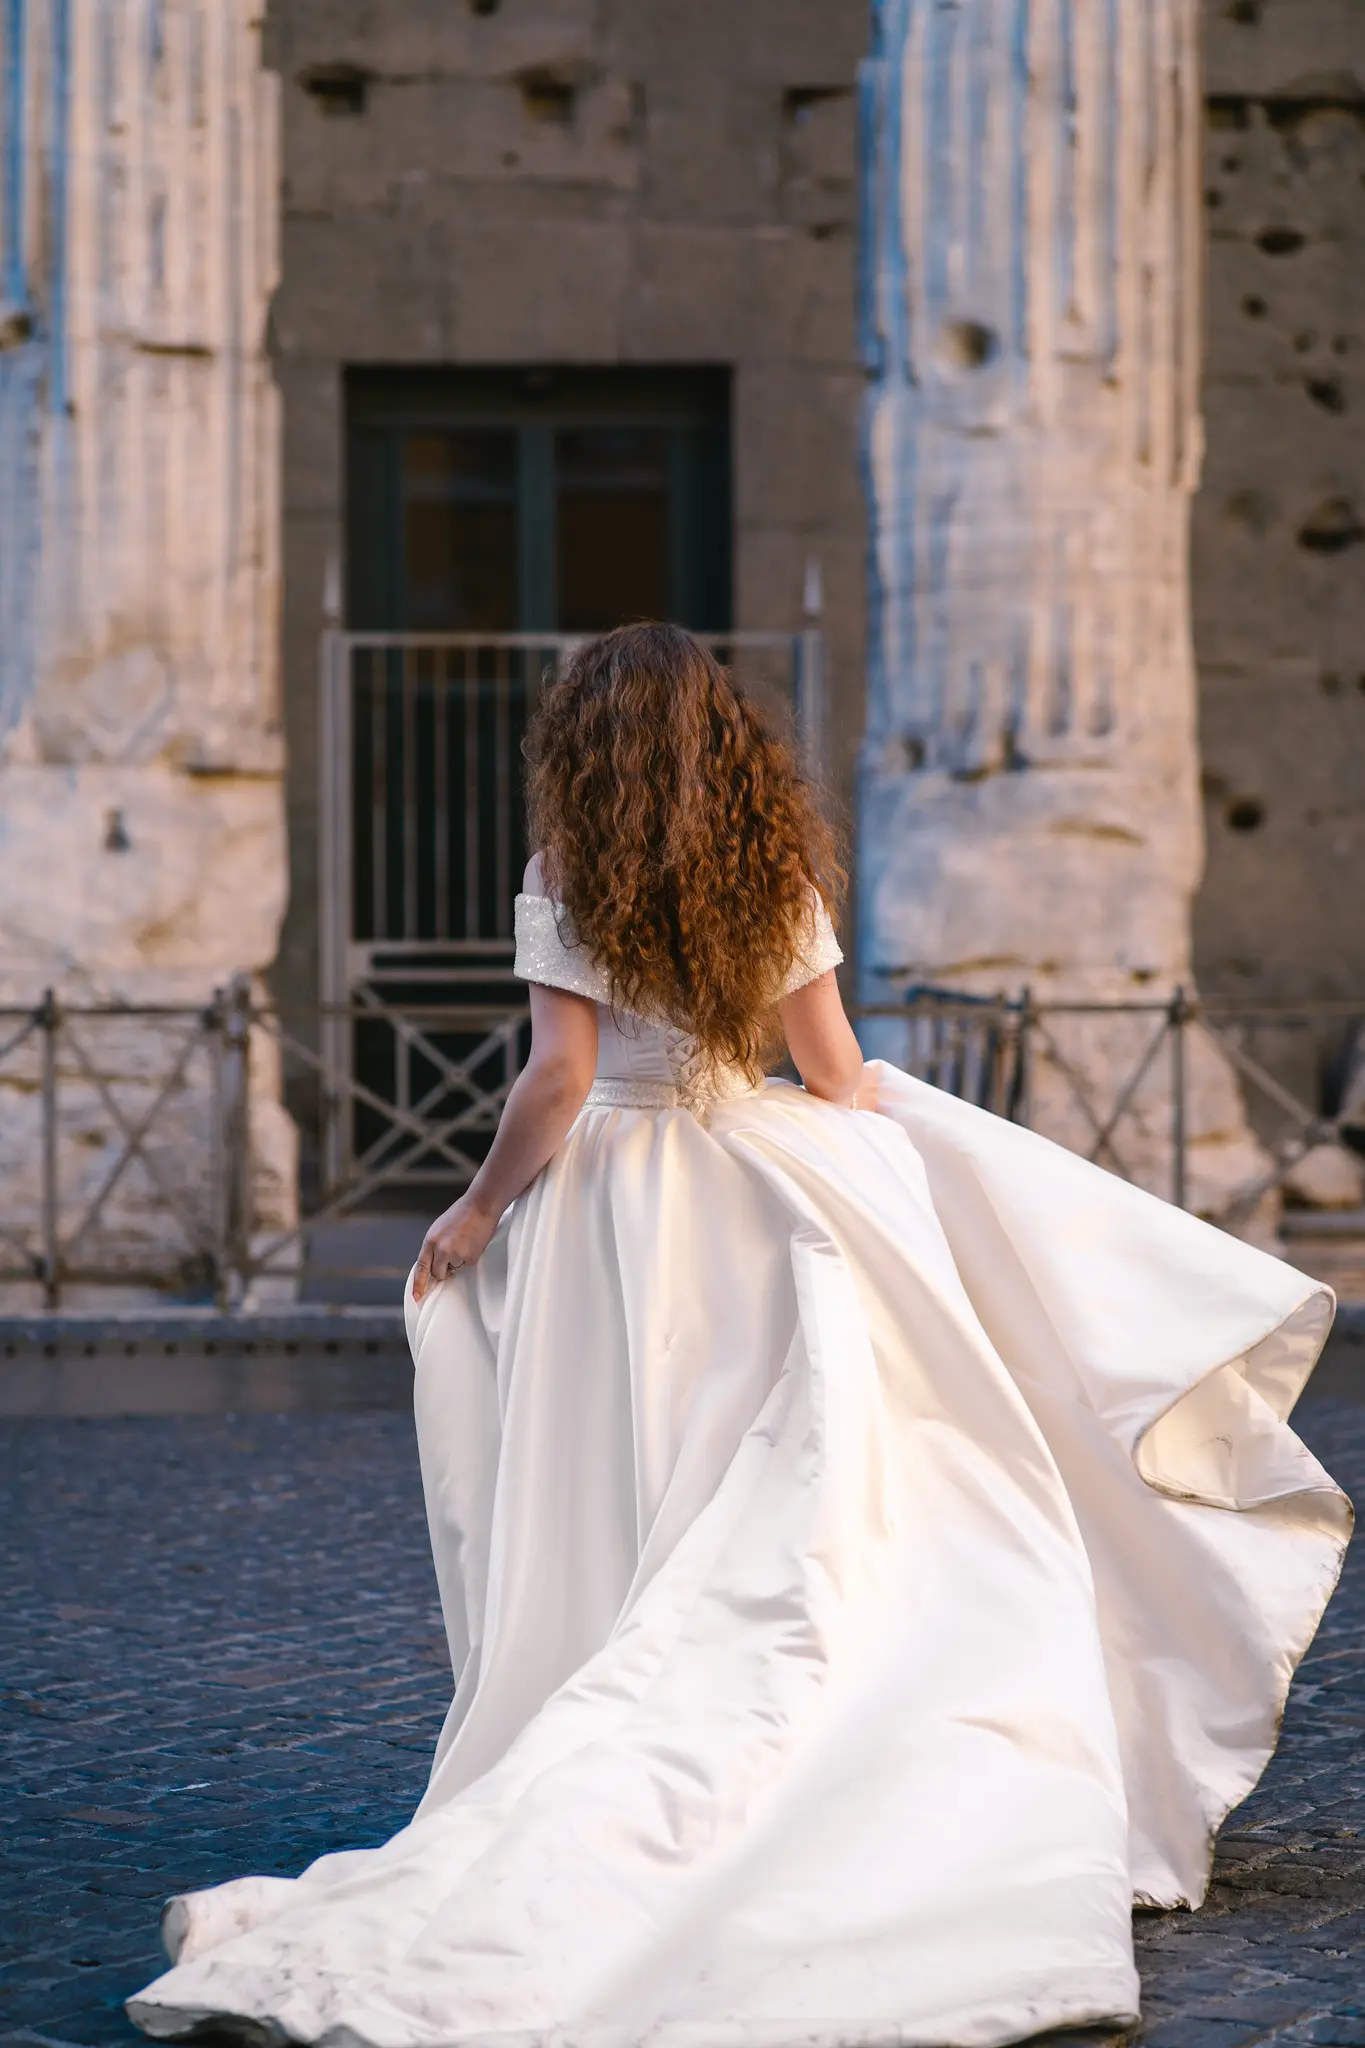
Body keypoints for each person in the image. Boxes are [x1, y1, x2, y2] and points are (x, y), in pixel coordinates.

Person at [130, 623, 1350, 2048]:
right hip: (761, 1195)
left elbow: (559, 1080)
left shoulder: (565, 874)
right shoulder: (774, 873)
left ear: (585, 747)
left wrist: (472, 1212)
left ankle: (611, 1730)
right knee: (779, 1486)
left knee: (636, 1481)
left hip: (617, 1210)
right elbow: (832, 1074)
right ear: (729, 741)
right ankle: (799, 1755)